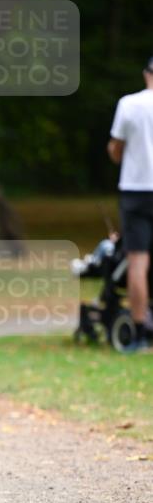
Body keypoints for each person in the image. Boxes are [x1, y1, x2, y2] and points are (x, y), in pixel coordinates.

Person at [108, 56, 153, 352]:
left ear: (146, 73)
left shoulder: (130, 104)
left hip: (137, 190)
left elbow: (116, 149)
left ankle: (139, 332)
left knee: (137, 262)